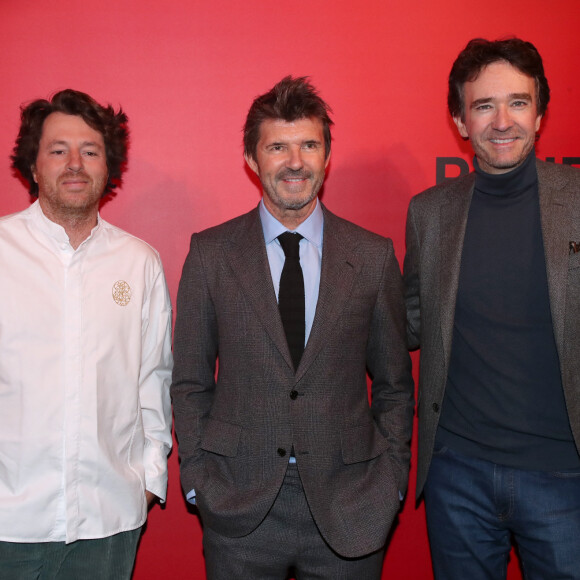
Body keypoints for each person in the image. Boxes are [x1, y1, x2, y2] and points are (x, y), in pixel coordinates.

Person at [172, 76, 414, 579]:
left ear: (327, 157)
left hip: (351, 502)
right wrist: (197, 477)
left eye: (309, 144)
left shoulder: (372, 256)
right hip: (238, 503)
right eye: (278, 146)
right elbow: (191, 381)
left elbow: (394, 384)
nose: (295, 161)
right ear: (251, 158)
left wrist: (391, 480)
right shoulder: (211, 254)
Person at [404, 38, 580, 579]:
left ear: (541, 113)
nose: (502, 121)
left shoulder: (575, 201)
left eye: (518, 103)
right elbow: (409, 321)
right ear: (460, 121)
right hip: (459, 474)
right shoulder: (429, 213)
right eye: (483, 106)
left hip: (563, 477)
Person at [0, 89, 173, 579]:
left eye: (90, 151)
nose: (74, 163)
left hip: (109, 520)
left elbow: (154, 379)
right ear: (33, 165)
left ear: (108, 166)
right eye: (58, 150)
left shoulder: (139, 262)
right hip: (9, 522)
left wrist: (148, 479)